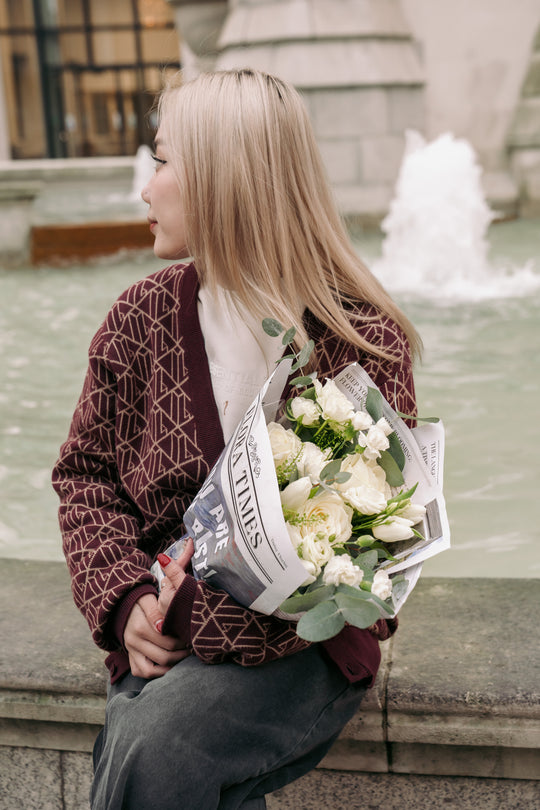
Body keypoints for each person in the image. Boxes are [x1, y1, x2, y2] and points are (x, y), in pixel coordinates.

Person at [52, 68, 421, 810]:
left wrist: (189, 620)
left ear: (225, 180)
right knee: (160, 750)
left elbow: (371, 557)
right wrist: (126, 606)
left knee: (150, 747)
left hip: (303, 653)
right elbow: (85, 477)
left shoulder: (358, 340)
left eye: (161, 162)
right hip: (158, 637)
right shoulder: (140, 318)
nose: (145, 188)